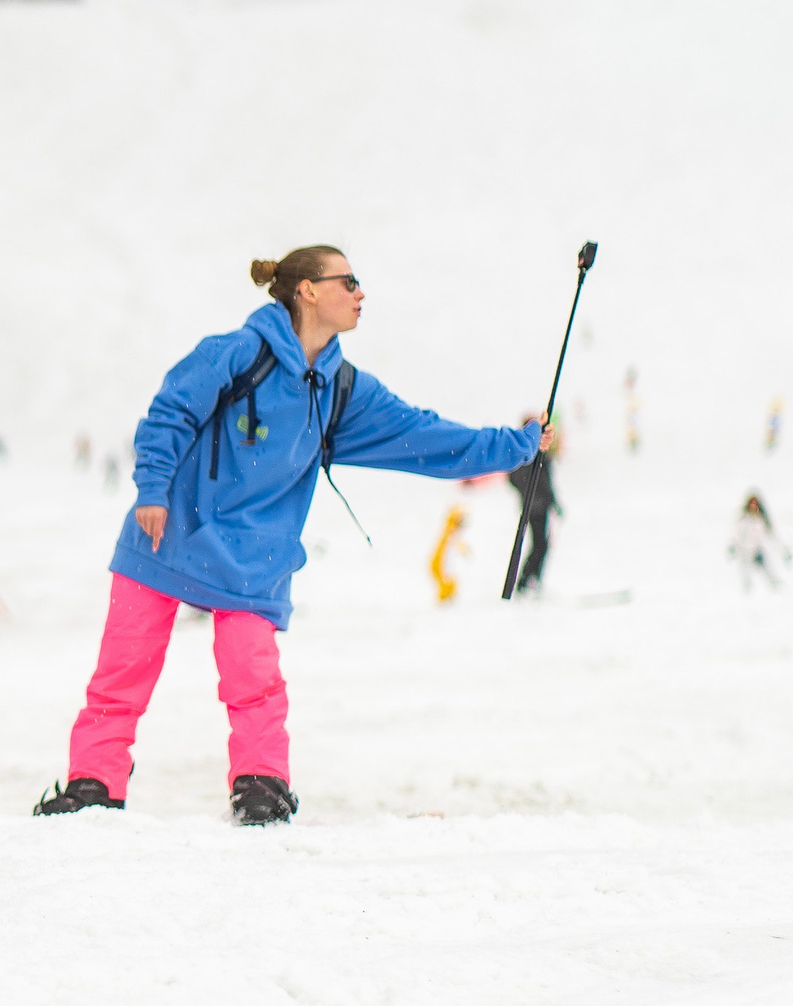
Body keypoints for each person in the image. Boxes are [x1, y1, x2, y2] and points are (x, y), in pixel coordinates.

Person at [33, 246, 547, 827]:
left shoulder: (343, 390)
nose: (359, 293)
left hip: (254, 559)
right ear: (305, 290)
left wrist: (516, 446)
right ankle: (93, 784)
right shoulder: (234, 353)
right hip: (165, 533)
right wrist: (151, 489)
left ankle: (260, 786)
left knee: (254, 680)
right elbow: (169, 414)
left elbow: (422, 436)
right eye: (347, 280)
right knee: (121, 672)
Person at [504, 419, 562, 594]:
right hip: (536, 506)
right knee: (540, 545)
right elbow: (544, 482)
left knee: (539, 544)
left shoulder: (527, 454)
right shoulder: (535, 455)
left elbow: (514, 477)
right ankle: (527, 581)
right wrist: (548, 500)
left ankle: (530, 580)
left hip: (533, 505)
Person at [729, 493, 789, 590]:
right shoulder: (744, 520)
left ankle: (774, 583)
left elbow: (770, 538)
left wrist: (782, 551)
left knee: (768, 566)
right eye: (752, 504)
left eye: (755, 504)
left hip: (758, 550)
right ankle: (747, 587)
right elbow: (736, 534)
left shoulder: (761, 520)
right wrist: (733, 546)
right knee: (745, 570)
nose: (753, 507)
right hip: (745, 550)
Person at [428, 505, 468, 604]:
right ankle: (444, 600)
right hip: (441, 566)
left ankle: (447, 599)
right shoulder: (450, 532)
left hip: (441, 565)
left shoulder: (450, 531)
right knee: (447, 583)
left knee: (449, 583)